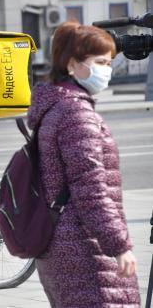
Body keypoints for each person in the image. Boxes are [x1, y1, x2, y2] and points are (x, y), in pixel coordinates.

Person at [28, 21, 141, 307]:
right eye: (100, 62)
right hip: (86, 250)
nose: (107, 70)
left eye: (109, 62)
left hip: (62, 246)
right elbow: (91, 191)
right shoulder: (76, 114)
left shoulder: (55, 107)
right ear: (72, 64)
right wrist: (119, 246)